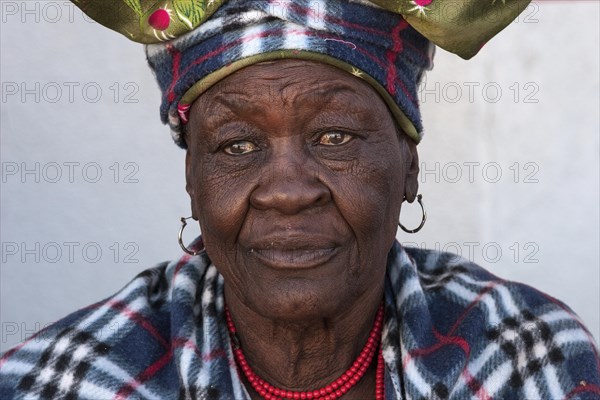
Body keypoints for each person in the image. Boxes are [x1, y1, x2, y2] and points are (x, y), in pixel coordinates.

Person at [1, 0, 598, 399]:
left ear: (409, 168)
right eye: (237, 145)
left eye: (335, 137)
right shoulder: (61, 381)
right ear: (193, 178)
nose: (288, 191)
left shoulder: (530, 357)